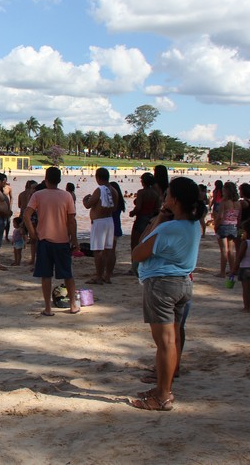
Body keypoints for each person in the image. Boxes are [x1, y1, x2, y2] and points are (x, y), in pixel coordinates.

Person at [130, 176, 205, 411]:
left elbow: (138, 251)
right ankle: (164, 388)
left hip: (162, 286)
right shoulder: (194, 225)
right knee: (172, 339)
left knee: (165, 343)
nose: (165, 197)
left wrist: (161, 220)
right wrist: (161, 217)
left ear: (174, 199)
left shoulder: (170, 228)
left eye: (168, 194)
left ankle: (162, 395)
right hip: (182, 284)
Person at [22, 166, 80, 316]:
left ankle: (48, 308)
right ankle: (73, 305)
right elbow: (72, 221)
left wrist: (33, 233)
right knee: (68, 274)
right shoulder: (67, 196)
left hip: (44, 240)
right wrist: (75, 240)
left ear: (46, 179)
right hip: (62, 240)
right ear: (60, 180)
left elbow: (26, 215)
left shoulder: (38, 195)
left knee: (46, 275)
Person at [82, 168, 116, 284]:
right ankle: (108, 276)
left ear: (97, 177)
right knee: (109, 250)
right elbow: (115, 207)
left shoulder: (100, 190)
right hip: (109, 220)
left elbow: (88, 205)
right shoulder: (114, 190)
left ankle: (99, 276)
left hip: (99, 221)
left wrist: (85, 199)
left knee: (98, 250)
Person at [129, 173, 162, 275]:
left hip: (141, 218)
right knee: (146, 242)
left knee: (135, 243)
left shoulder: (141, 192)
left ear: (143, 182)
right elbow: (157, 208)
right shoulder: (156, 194)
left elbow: (138, 207)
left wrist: (132, 213)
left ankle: (133, 267)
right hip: (151, 219)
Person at [214, 181, 240, 277]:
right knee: (231, 250)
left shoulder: (224, 202)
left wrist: (216, 225)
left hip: (224, 226)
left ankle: (222, 272)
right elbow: (239, 217)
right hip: (233, 226)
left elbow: (220, 216)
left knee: (224, 250)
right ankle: (232, 270)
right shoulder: (238, 203)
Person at [106, 181, 126, 281]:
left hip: (110, 226)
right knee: (112, 250)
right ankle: (110, 271)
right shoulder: (119, 201)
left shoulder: (111, 201)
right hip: (116, 226)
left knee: (107, 251)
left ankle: (107, 272)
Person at [231, 219, 250, 312]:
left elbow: (239, 257)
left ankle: (247, 307)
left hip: (245, 268)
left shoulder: (245, 243)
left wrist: (234, 269)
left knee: (246, 289)